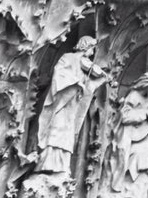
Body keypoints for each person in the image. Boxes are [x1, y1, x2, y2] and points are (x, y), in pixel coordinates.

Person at [35, 40, 104, 181]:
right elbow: (59, 74)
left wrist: (94, 81)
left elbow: (92, 83)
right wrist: (76, 82)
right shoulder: (68, 57)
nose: (92, 53)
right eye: (92, 48)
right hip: (62, 101)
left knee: (68, 134)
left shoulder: (85, 64)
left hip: (73, 105)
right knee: (56, 129)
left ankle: (62, 167)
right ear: (86, 46)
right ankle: (47, 165)